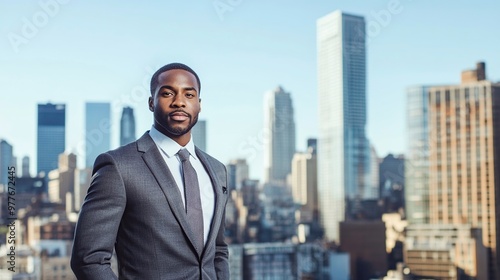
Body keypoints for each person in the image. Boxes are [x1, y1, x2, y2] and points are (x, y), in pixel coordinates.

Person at [71, 63, 230, 279]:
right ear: (151, 102)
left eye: (189, 95)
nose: (179, 102)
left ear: (199, 104)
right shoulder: (118, 166)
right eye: (167, 93)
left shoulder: (217, 170)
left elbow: (218, 251)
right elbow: (88, 260)